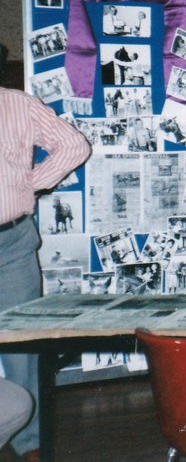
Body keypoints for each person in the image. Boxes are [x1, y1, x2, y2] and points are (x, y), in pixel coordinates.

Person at [0, 44, 91, 461]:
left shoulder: (18, 105)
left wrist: (29, 183)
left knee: (24, 347)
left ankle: (30, 447)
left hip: (13, 242)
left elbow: (74, 146)